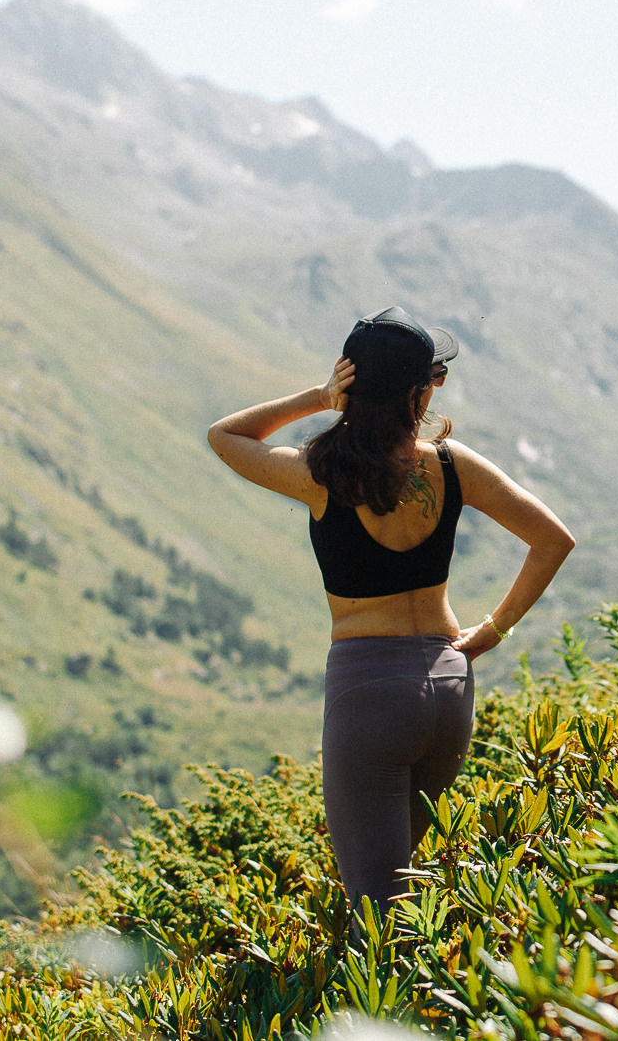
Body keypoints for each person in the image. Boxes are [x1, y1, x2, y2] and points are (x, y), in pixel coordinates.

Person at [206, 305, 575, 911]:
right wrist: (494, 630)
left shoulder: (318, 473)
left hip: (368, 695)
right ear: (419, 392)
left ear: (352, 387)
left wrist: (318, 397)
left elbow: (226, 436)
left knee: (376, 922)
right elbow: (554, 539)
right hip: (451, 687)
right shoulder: (455, 466)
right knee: (399, 895)